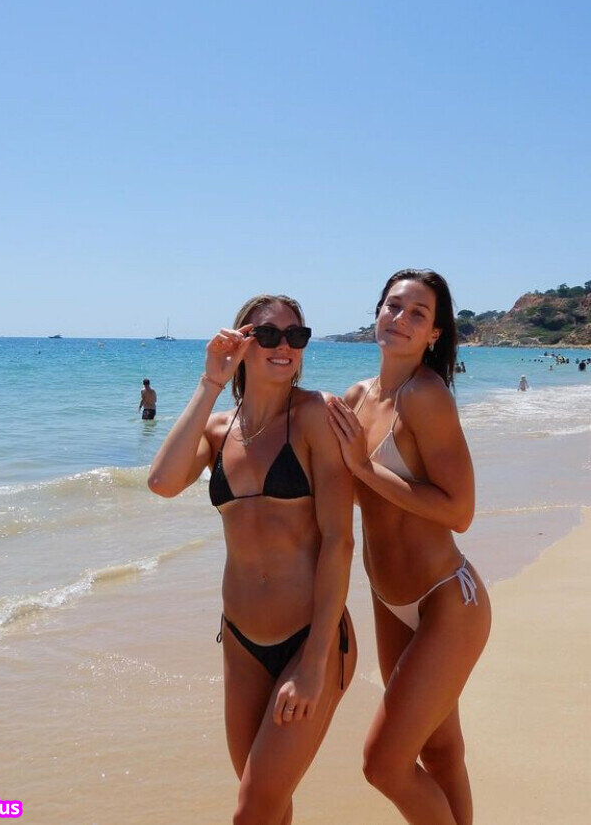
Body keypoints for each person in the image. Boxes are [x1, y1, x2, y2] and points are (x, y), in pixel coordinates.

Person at [149, 294, 356, 825]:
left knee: (251, 811)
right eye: (267, 334)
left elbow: (340, 541)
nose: (283, 345)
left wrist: (314, 664)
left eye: (296, 335)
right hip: (240, 642)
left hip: (311, 639)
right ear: (241, 343)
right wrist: (210, 382)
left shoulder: (315, 415)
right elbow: (162, 481)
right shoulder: (218, 431)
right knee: (268, 806)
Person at [327, 269, 491, 825]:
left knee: (383, 764)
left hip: (447, 601)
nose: (400, 318)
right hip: (388, 599)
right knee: (439, 752)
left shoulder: (426, 396)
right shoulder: (355, 398)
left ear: (434, 334)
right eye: (393, 306)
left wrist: (363, 468)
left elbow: (460, 511)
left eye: (418, 313)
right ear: (377, 312)